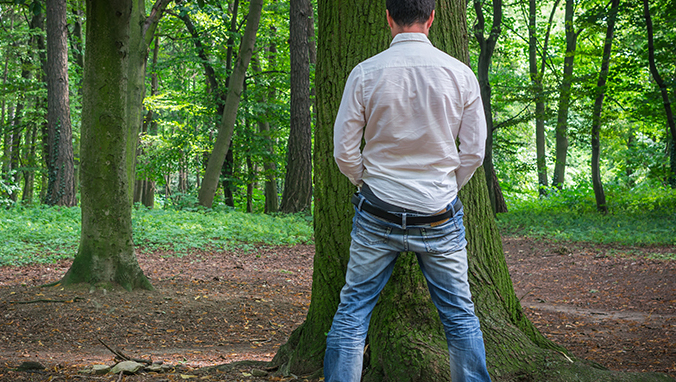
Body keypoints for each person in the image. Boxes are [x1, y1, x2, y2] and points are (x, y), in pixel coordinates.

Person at [324, 0, 492, 381]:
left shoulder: (365, 74)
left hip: (376, 212)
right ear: (432, 17)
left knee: (352, 311)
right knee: (460, 315)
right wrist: (447, 187)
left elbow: (344, 151)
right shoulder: (460, 74)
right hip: (438, 215)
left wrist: (365, 183)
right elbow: (475, 151)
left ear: (388, 18)